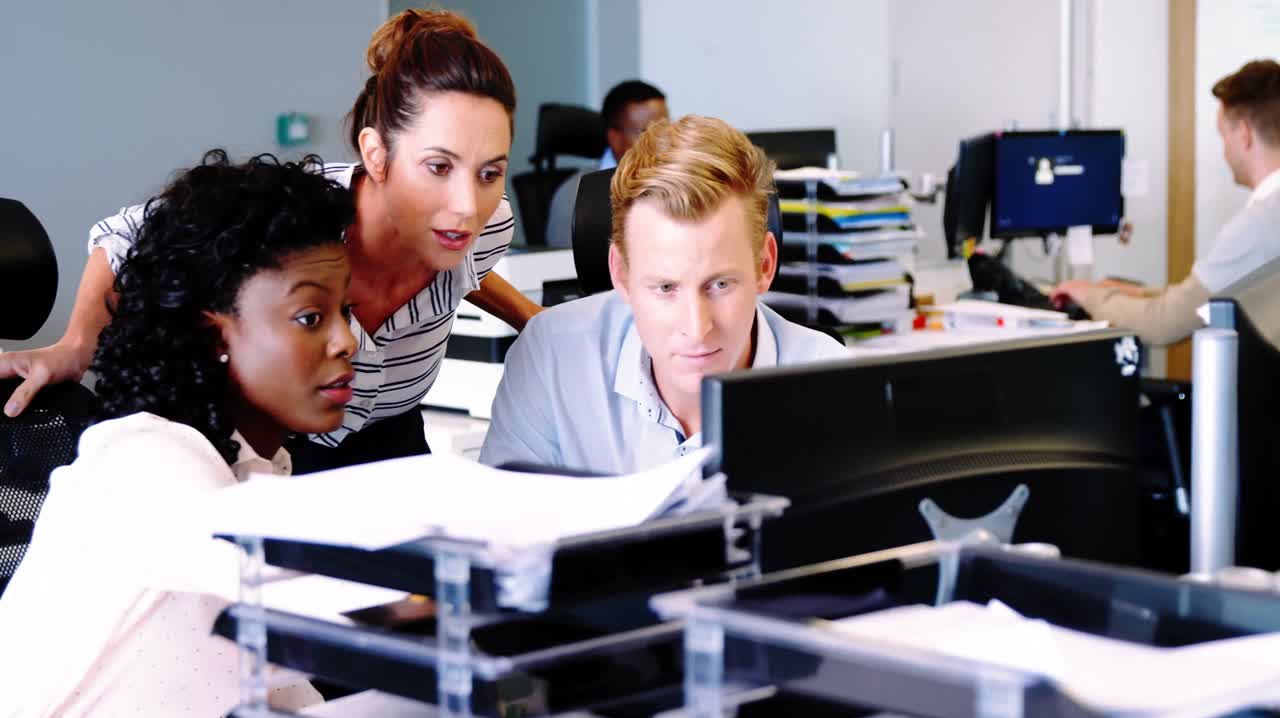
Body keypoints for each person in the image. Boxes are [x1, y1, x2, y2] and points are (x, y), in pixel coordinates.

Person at [0, 9, 538, 474]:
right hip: (286, 443)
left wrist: (537, 324)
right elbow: (127, 236)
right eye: (438, 166)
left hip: (394, 442)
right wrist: (76, 343)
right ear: (376, 156)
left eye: (490, 172)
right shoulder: (300, 217)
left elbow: (465, 269)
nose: (467, 205)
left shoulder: (485, 225)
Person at [0, 151, 356, 718]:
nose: (346, 341)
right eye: (310, 317)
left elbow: (279, 687)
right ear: (214, 333)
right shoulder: (146, 458)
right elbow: (307, 591)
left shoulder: (255, 466)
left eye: (347, 310)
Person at [481, 115, 849, 473]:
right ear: (621, 273)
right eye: (666, 287)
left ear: (765, 265)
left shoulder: (834, 386)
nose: (696, 327)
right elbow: (499, 526)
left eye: (720, 284)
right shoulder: (551, 359)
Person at [1053, 59, 1280, 347]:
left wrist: (1089, 295)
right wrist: (1137, 294)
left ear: (1244, 134)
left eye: (1223, 136)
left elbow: (1161, 325)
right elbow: (1210, 296)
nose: (1224, 152)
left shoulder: (1259, 226)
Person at [543, 80, 669, 248]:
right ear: (615, 139)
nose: (662, 141)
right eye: (647, 132)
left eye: (666, 130)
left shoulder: (676, 184)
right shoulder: (576, 196)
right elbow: (566, 269)